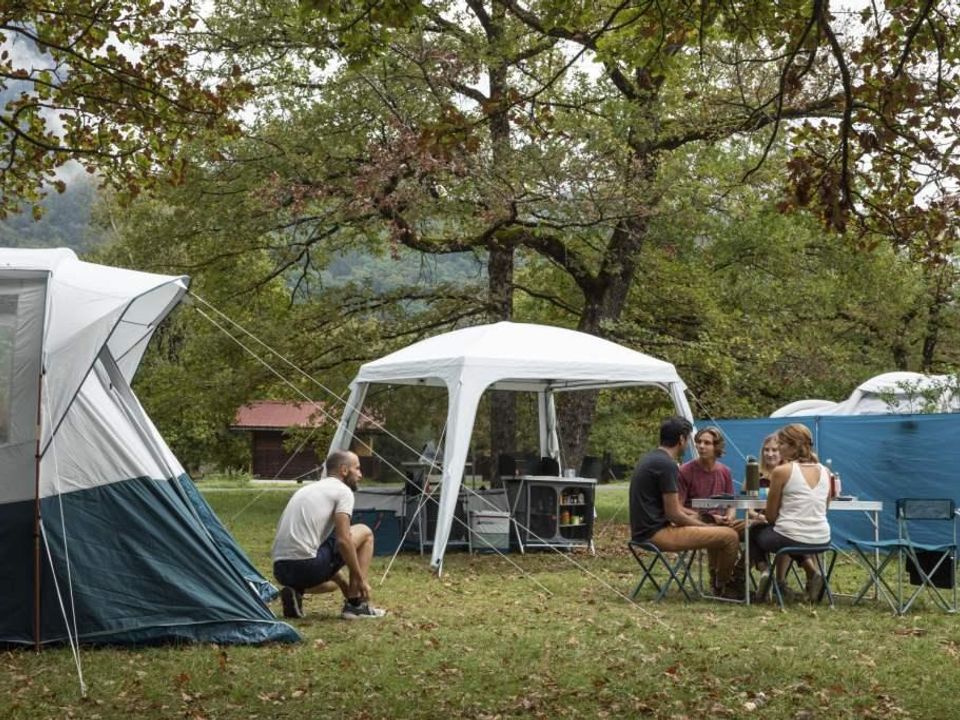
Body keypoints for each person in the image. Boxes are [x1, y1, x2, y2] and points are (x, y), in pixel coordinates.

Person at [630, 416, 741, 598]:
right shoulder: (667, 465)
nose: (694, 445)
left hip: (643, 531)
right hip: (656, 534)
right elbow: (674, 514)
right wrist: (705, 526)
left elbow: (672, 510)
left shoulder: (651, 458)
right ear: (681, 439)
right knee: (729, 536)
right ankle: (724, 586)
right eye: (691, 439)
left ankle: (726, 582)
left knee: (730, 530)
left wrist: (703, 519)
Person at [272, 449, 387, 620]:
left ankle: (295, 592)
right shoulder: (343, 491)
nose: (360, 475)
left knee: (334, 583)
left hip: (281, 570)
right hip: (307, 566)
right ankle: (356, 605)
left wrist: (344, 583)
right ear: (344, 470)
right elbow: (343, 541)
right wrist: (361, 579)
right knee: (365, 532)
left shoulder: (308, 489)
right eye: (357, 468)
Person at [751, 424, 831, 602]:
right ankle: (812, 572)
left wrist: (768, 517)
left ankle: (766, 572)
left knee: (754, 530)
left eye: (781, 444)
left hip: (791, 537)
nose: (778, 448)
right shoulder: (826, 471)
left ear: (793, 446)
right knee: (791, 534)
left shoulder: (782, 471)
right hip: (822, 539)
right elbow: (825, 508)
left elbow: (771, 516)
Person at [677, 427, 736, 587]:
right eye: (699, 442)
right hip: (697, 521)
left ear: (717, 447)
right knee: (721, 533)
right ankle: (721, 582)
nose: (701, 446)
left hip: (722, 521)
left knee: (751, 528)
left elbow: (731, 502)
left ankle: (739, 575)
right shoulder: (685, 471)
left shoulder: (725, 471)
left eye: (707, 443)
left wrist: (730, 516)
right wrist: (709, 515)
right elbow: (678, 507)